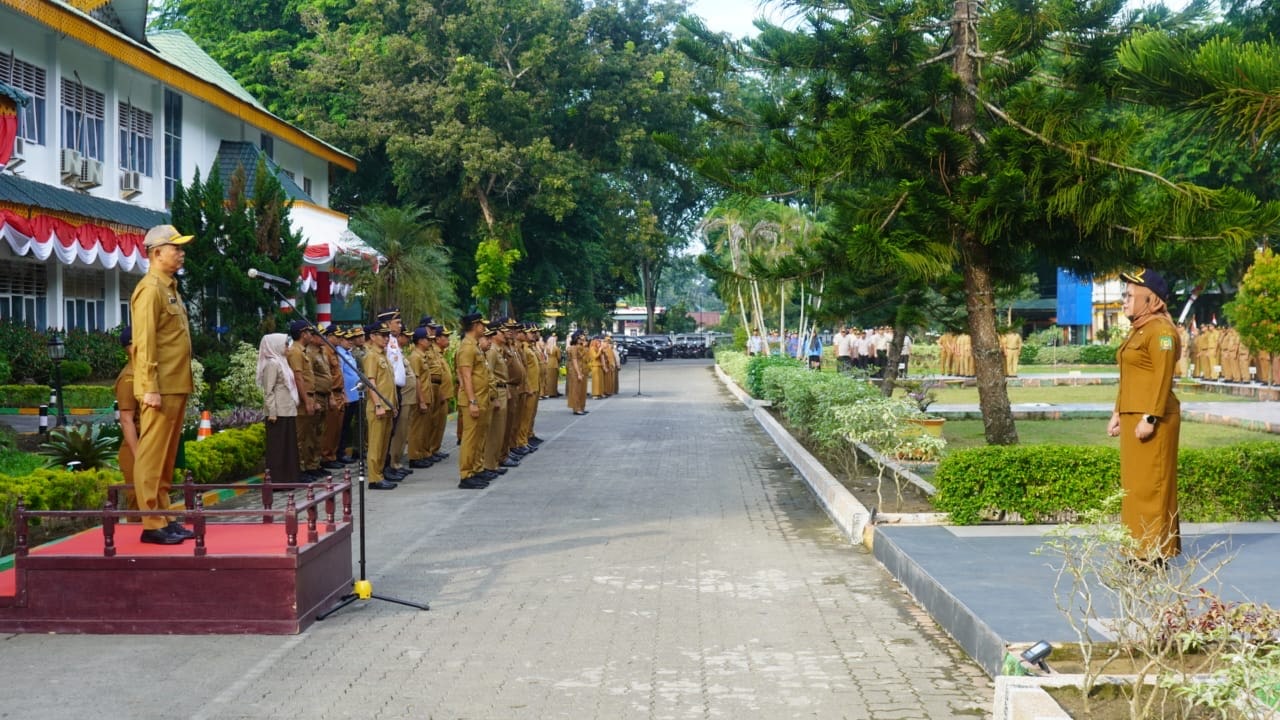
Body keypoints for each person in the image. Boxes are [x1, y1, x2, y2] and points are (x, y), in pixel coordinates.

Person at [1107, 269, 1181, 563]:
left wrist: (1150, 418)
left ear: (1150, 299)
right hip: (1132, 416)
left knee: (1153, 486)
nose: (1123, 301)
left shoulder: (1161, 331)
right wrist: (1116, 412)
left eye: (1129, 296)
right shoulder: (1139, 329)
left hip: (1154, 419)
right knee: (1135, 488)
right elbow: (1129, 376)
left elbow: (1163, 379)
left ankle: (1154, 552)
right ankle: (1137, 548)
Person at [130, 224, 196, 544]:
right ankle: (151, 521)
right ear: (156, 253)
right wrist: (149, 387)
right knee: (152, 455)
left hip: (176, 383)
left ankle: (166, 515)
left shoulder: (170, 288)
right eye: (176, 248)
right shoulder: (150, 289)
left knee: (168, 456)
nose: (181, 254)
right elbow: (144, 344)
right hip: (160, 386)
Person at [256, 332, 300, 485]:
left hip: (287, 409)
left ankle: (289, 478)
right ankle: (277, 480)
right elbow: (269, 390)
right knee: (278, 447)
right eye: (285, 345)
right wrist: (272, 412)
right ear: (276, 346)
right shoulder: (272, 364)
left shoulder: (283, 361)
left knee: (288, 446)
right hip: (278, 412)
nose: (288, 348)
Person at [456, 314, 494, 489]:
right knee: (470, 438)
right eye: (482, 325)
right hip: (473, 399)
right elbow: (465, 376)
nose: (484, 328)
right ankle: (466, 474)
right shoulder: (466, 347)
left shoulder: (475, 347)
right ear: (474, 325)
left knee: (479, 437)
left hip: (482, 398)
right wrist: (472, 401)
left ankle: (476, 469)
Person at [362, 322, 399, 490]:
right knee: (376, 445)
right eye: (383, 335)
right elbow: (371, 382)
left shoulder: (383, 355)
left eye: (387, 336)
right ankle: (374, 478)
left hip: (388, 406)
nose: (386, 338)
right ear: (372, 336)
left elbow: (389, 384)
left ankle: (380, 474)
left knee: (383, 445)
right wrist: (377, 404)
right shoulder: (371, 356)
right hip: (378, 407)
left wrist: (394, 405)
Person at [286, 320, 323, 480]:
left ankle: (310, 466)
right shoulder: (295, 351)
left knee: (310, 435)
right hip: (302, 400)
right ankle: (299, 470)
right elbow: (298, 378)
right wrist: (307, 401)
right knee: (299, 437)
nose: (311, 335)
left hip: (309, 396)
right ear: (303, 334)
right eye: (309, 332)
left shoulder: (303, 351)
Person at [112, 326, 139, 517]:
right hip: (135, 448)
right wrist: (139, 456)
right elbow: (126, 419)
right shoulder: (129, 378)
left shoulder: (145, 372)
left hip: (148, 444)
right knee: (138, 505)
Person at [426, 324, 453, 462]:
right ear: (437, 339)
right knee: (434, 423)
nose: (448, 339)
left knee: (440, 423)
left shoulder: (440, 353)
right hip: (438, 393)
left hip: (444, 394)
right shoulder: (432, 352)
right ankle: (430, 449)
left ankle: (435, 448)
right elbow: (433, 375)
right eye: (445, 336)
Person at [567, 332, 588, 415]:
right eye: (581, 338)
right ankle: (576, 408)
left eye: (583, 338)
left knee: (582, 389)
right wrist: (578, 373)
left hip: (582, 368)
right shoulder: (573, 348)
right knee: (576, 390)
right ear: (576, 338)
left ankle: (582, 407)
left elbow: (585, 357)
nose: (583, 339)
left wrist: (584, 346)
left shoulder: (581, 347)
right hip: (576, 370)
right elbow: (574, 360)